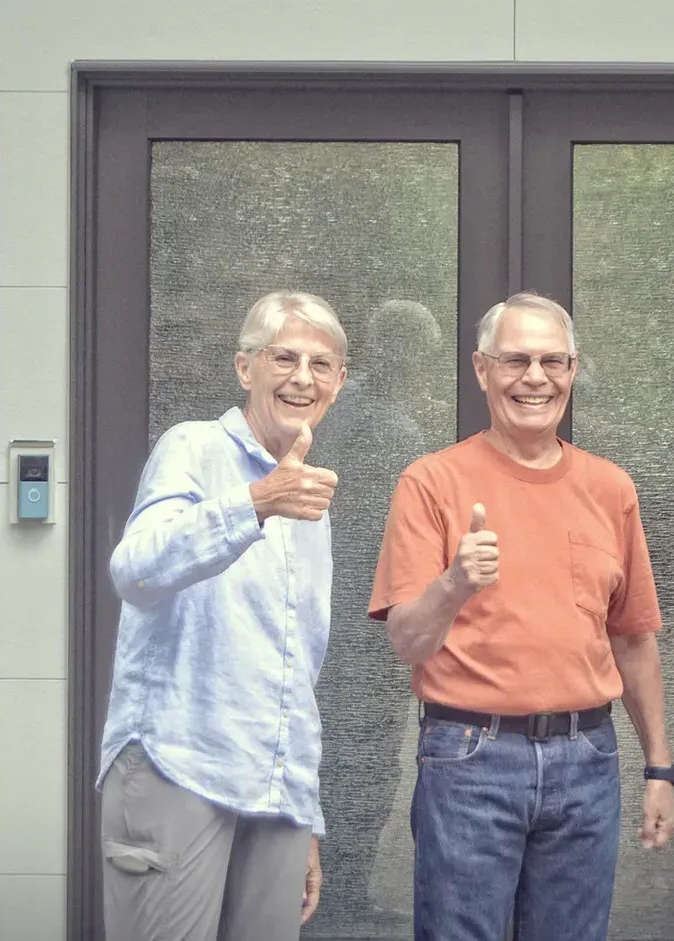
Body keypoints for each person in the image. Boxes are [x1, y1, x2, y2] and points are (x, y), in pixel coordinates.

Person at [369, 292, 674, 941]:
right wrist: (455, 582)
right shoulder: (431, 482)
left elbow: (633, 640)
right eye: (515, 360)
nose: (534, 377)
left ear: (572, 368)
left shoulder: (610, 488)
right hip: (469, 761)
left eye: (551, 361)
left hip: (586, 760)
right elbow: (406, 638)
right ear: (482, 369)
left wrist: (659, 767)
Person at [99, 291, 349, 941]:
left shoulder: (308, 498)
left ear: (339, 381)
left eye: (321, 364)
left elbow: (296, 670)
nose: (302, 377)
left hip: (273, 791)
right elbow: (135, 570)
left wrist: (305, 812)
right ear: (245, 369)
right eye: (283, 357)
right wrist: (256, 503)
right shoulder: (193, 448)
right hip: (179, 765)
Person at [305, 299, 443, 932]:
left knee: (329, 748)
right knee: (364, 755)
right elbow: (398, 540)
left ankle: (321, 885)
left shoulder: (336, 409)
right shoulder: (392, 430)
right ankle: (341, 894)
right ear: (408, 355)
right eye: (423, 355)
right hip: (366, 619)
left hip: (321, 607)